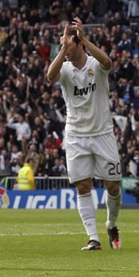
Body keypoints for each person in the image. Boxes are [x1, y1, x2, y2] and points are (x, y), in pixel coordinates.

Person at [47, 17, 122, 251]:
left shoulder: (95, 66)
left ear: (79, 44)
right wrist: (63, 49)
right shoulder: (65, 69)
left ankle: (111, 224)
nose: (66, 50)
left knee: (112, 186)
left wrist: (84, 39)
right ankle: (93, 238)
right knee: (82, 186)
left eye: (69, 45)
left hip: (102, 133)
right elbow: (50, 76)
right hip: (76, 136)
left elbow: (108, 62)